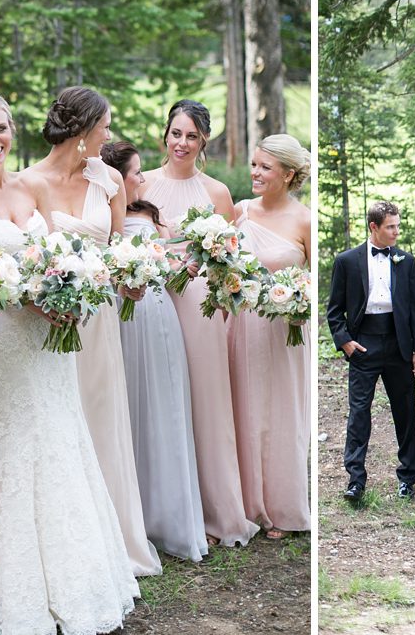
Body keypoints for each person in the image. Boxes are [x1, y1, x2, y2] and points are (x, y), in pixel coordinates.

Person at [0, 92, 138, 633]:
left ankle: (77, 570)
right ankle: (11, 579)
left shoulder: (25, 191)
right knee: (15, 433)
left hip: (47, 330)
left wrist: (58, 299)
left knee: (61, 430)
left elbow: (48, 260)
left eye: (1, 128)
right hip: (4, 335)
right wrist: (16, 296)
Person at [19, 87, 160, 576]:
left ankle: (112, 537)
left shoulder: (110, 181)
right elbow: (22, 261)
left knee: (100, 412)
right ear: (82, 130)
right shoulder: (26, 183)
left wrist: (132, 281)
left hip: (97, 319)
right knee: (57, 419)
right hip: (48, 318)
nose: (110, 134)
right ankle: (61, 536)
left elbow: (119, 249)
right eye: (105, 125)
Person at [141, 99, 259, 546]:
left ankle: (213, 513)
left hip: (201, 305)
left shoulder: (217, 193)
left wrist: (227, 298)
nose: (182, 143)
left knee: (205, 403)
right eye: (176, 134)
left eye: (191, 136)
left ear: (204, 141)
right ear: (164, 136)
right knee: (161, 399)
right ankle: (163, 510)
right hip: (154, 298)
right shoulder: (142, 184)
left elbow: (232, 260)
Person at [103, 140, 207, 562]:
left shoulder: (146, 213)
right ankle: (130, 512)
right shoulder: (108, 218)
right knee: (127, 404)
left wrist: (185, 264)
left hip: (157, 310)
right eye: (136, 173)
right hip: (123, 312)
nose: (143, 180)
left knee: (163, 405)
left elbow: (166, 258)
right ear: (116, 177)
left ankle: (167, 513)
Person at [228, 134, 312, 538]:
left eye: (265, 167)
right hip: (239, 325)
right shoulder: (240, 211)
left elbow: (315, 282)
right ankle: (244, 503)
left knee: (281, 413)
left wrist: (300, 300)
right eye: (255, 164)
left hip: (285, 331)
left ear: (288, 174)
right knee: (244, 410)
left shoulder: (305, 220)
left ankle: (282, 507)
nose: (255, 173)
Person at [327, 200, 415, 501]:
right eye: (391, 227)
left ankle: (408, 477)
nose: (397, 232)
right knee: (359, 413)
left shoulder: (406, 261)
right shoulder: (347, 261)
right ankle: (355, 479)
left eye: (397, 225)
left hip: (398, 345)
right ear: (374, 227)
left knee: (405, 411)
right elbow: (334, 310)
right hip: (364, 344)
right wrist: (345, 341)